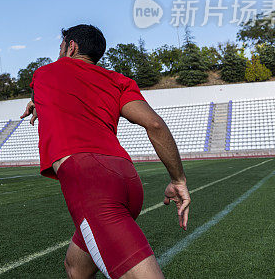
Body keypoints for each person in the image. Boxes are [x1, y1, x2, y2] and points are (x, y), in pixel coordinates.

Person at [20, 24, 190, 279]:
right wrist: (178, 179)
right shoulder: (118, 81)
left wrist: (38, 103)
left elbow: (58, 92)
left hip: (91, 184)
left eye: (60, 47)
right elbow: (155, 124)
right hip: (127, 179)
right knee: (76, 267)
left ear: (71, 46)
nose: (59, 52)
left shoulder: (45, 73)